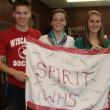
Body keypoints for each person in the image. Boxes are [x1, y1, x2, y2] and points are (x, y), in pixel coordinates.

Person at [0, 1, 41, 110]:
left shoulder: (37, 34)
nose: (22, 16)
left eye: (25, 13)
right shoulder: (4, 35)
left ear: (30, 14)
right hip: (14, 86)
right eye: (18, 13)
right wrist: (14, 72)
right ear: (13, 14)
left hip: (35, 86)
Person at [74, 10, 110, 109]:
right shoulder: (78, 43)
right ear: (87, 23)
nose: (95, 24)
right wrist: (89, 54)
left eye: (98, 21)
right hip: (83, 90)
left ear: (101, 23)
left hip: (103, 90)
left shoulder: (107, 43)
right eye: (92, 21)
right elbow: (74, 67)